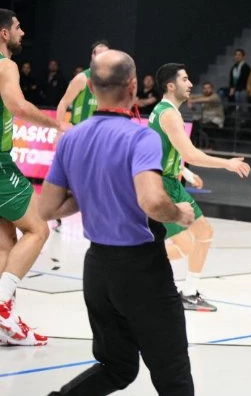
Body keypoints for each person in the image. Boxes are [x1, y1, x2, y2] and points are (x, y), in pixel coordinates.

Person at [40, 50, 196, 395]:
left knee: (117, 367)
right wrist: (179, 213)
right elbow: (152, 201)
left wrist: (88, 190)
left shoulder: (71, 138)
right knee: (172, 373)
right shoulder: (140, 137)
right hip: (141, 269)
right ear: (133, 86)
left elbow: (48, 209)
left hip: (97, 270)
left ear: (91, 88)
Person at [150, 63, 251, 311]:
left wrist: (185, 172)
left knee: (204, 233)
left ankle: (189, 291)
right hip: (163, 186)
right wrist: (227, 164)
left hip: (172, 181)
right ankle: (137, 267)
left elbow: (164, 151)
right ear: (170, 85)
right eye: (185, 79)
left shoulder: (165, 111)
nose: (190, 84)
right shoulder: (168, 114)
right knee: (186, 246)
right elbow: (190, 154)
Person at [0, 9, 70, 346]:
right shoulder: (6, 65)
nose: (22, 32)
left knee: (5, 243)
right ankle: (2, 306)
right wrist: (58, 125)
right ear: (3, 33)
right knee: (39, 228)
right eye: (17, 27)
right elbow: (17, 106)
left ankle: (5, 322)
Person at [56, 39, 110, 126]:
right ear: (93, 56)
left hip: (99, 130)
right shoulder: (82, 78)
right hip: (79, 128)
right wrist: (59, 128)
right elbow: (63, 103)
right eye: (101, 54)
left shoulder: (111, 80)